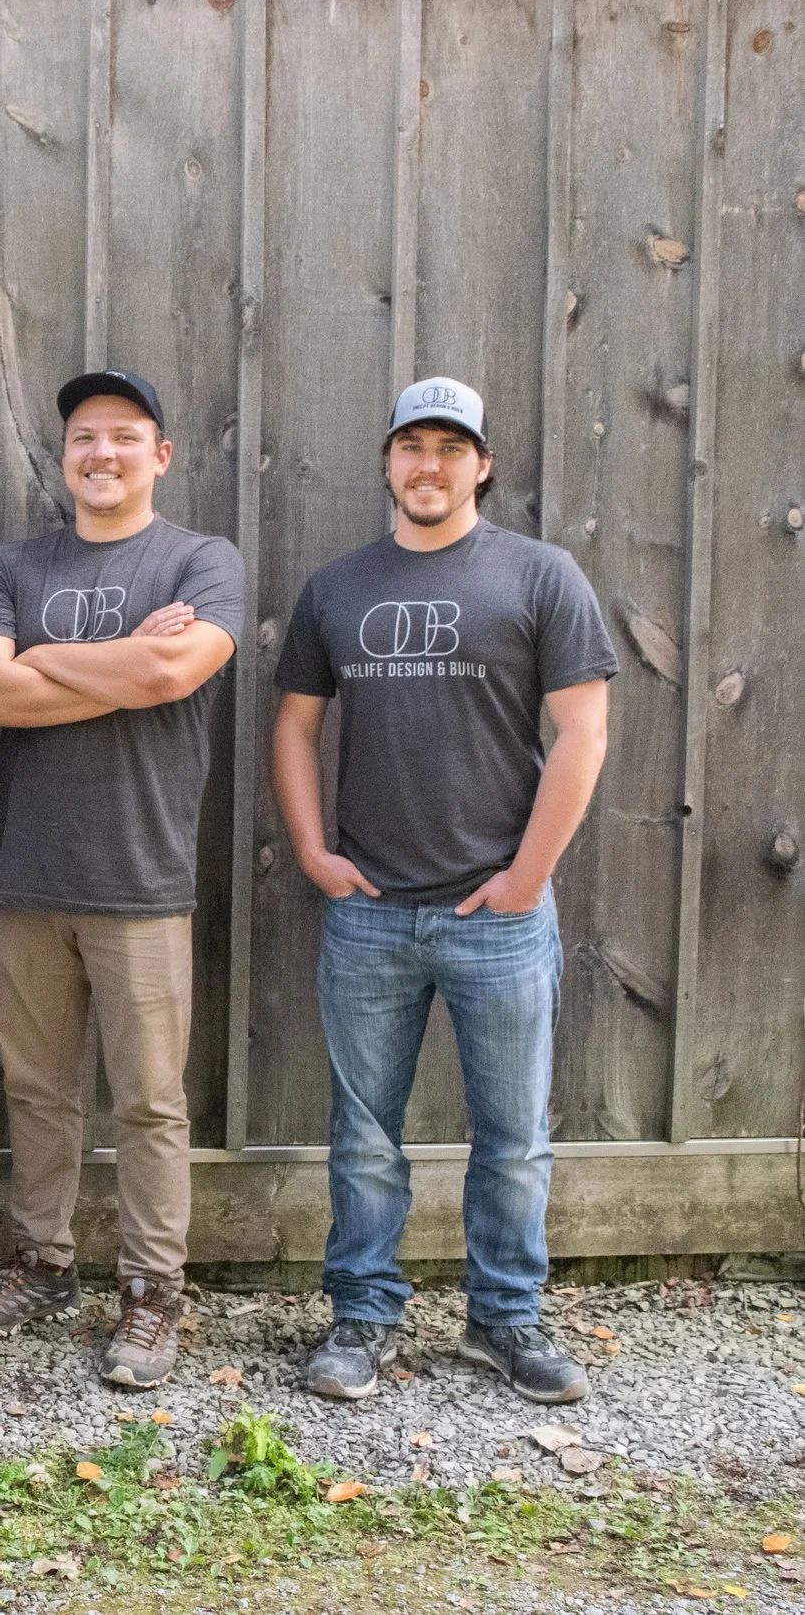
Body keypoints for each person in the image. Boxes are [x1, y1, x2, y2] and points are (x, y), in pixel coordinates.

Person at [275, 377, 614, 1406]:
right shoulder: (337, 588)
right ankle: (362, 1314)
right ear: (387, 460)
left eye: (450, 446)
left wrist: (526, 877)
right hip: (370, 909)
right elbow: (292, 725)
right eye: (412, 445)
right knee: (363, 1133)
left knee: (513, 1134)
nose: (430, 464)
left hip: (495, 917)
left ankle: (504, 1316)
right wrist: (311, 849)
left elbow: (584, 733)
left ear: (483, 462)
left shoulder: (539, 575)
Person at [0, 370, 244, 1391]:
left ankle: (152, 1291)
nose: (102, 452)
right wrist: (114, 661)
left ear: (159, 455)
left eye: (124, 436)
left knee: (151, 1102)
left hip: (143, 876)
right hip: (25, 874)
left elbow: (173, 676)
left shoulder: (201, 560)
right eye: (84, 436)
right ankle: (42, 1258)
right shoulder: (11, 561)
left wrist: (45, 656)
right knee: (35, 1088)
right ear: (64, 454)